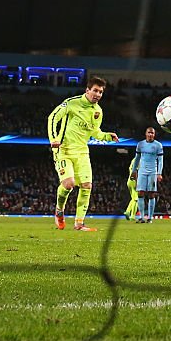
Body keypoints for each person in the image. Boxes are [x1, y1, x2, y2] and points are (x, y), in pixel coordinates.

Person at [47, 76, 119, 231]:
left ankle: (79, 224)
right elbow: (53, 117)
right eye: (95, 90)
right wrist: (53, 138)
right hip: (63, 150)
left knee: (87, 186)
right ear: (87, 90)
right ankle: (59, 211)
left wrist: (107, 136)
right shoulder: (72, 103)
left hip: (82, 152)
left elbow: (95, 132)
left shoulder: (98, 111)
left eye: (100, 92)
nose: (98, 94)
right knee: (69, 184)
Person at [130, 127, 164, 223]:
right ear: (146, 134)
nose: (150, 135)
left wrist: (159, 173)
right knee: (140, 193)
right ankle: (141, 216)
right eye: (149, 133)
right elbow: (137, 158)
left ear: (154, 134)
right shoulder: (140, 144)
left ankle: (150, 217)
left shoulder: (158, 145)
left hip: (153, 172)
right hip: (142, 171)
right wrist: (134, 170)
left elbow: (160, 160)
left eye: (152, 133)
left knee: (151, 194)